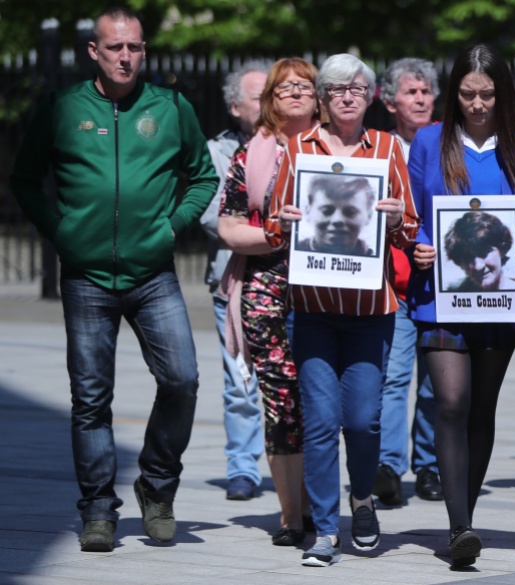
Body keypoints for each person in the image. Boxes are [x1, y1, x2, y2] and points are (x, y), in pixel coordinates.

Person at [9, 6, 218, 552]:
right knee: (91, 397)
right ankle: (98, 509)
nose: (127, 57)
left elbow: (203, 177)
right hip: (85, 276)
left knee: (183, 380)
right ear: (94, 52)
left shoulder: (171, 106)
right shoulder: (61, 107)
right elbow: (25, 179)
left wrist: (170, 229)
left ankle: (156, 485)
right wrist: (62, 233)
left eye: (135, 47)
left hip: (153, 273)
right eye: (116, 47)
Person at [266, 53, 420, 567]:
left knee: (362, 421)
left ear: (372, 95)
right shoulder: (299, 149)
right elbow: (273, 227)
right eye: (335, 90)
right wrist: (284, 221)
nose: (347, 96)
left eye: (356, 88)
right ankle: (326, 532)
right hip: (311, 308)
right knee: (320, 421)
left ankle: (362, 498)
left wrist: (397, 216)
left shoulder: (388, 149)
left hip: (370, 309)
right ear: (324, 100)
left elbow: (411, 230)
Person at [406, 43, 515, 567]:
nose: (478, 103)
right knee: (450, 401)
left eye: (487, 94)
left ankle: (463, 509)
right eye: (467, 93)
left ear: (504, 94)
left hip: (502, 297)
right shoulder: (428, 142)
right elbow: (412, 212)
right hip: (440, 296)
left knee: (481, 408)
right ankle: (460, 524)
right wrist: (418, 241)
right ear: (454, 94)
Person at [216, 57, 320, 547]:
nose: (296, 92)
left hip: (329, 289)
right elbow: (229, 226)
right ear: (272, 99)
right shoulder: (250, 155)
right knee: (281, 403)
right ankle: (292, 515)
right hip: (265, 291)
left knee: (324, 400)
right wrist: (275, 232)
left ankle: (325, 504)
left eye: (306, 85)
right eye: (286, 87)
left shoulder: (340, 147)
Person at [373, 57, 442, 506]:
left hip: (440, 281)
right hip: (395, 284)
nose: (420, 99)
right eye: (411, 92)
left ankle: (431, 465)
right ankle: (388, 466)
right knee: (394, 377)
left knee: (437, 380)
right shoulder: (379, 149)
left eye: (426, 91)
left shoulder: (445, 143)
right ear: (389, 99)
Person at [201, 60, 270, 502]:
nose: (268, 104)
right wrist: (268, 234)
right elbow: (211, 217)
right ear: (234, 106)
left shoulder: (298, 145)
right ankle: (242, 467)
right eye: (258, 96)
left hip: (286, 281)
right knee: (240, 381)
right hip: (232, 281)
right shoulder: (216, 153)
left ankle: (291, 464)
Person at [294, 175, 379, 255]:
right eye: (326, 211)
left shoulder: (374, 260)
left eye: (350, 212)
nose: (337, 220)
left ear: (369, 216)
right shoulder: (295, 252)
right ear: (308, 211)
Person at [443, 211, 515, 292]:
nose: (478, 266)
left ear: (501, 250)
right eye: (468, 258)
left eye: (483, 253)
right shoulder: (452, 293)